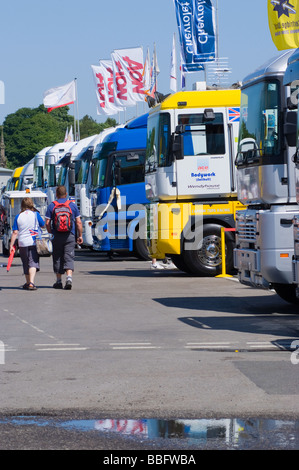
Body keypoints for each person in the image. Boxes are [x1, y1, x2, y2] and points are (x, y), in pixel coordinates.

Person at [45, 185, 83, 290]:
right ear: (66, 194)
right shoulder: (72, 206)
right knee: (69, 256)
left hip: (56, 236)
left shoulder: (52, 206)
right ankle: (69, 279)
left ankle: (58, 281)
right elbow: (79, 222)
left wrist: (51, 232)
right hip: (69, 235)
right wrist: (80, 235)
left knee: (57, 257)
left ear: (56, 194)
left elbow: (47, 223)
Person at [9, 197, 45, 290]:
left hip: (22, 243)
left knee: (25, 263)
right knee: (33, 262)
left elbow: (15, 232)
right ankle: (32, 283)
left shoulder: (18, 216)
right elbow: (43, 225)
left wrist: (11, 245)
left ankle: (28, 282)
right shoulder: (35, 214)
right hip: (33, 242)